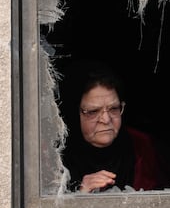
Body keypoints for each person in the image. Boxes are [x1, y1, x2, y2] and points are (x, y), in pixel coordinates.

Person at [61, 63, 159, 193]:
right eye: (93, 111)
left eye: (114, 109)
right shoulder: (55, 157)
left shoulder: (140, 146)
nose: (106, 120)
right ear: (74, 115)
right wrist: (80, 195)